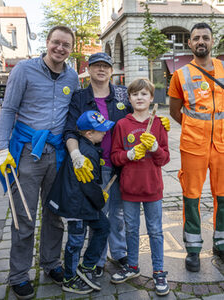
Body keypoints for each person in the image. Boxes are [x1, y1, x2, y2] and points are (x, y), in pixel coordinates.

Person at [64, 52, 170, 277]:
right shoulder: (79, 97)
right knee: (99, 214)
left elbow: (139, 112)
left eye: (106, 66)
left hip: (123, 165)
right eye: (96, 66)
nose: (101, 70)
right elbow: (70, 129)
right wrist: (76, 155)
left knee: (119, 213)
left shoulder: (122, 93)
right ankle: (98, 259)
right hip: (95, 162)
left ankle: (120, 252)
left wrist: (159, 121)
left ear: (112, 71)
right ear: (89, 70)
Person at [0, 25, 79, 299]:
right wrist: (1, 148)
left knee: (55, 213)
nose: (60, 48)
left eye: (66, 44)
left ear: (72, 48)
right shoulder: (23, 70)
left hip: (57, 155)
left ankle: (51, 263)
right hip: (28, 153)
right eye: (56, 42)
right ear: (47, 43)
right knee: (24, 217)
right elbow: (8, 109)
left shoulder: (72, 76)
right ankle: (19, 274)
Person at [169, 22, 224, 272]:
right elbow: (174, 111)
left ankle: (221, 244)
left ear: (213, 42)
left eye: (205, 37)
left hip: (222, 145)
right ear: (189, 44)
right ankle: (193, 249)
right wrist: (195, 128)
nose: (201, 41)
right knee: (191, 197)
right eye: (196, 38)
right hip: (193, 146)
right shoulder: (180, 75)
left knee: (222, 197)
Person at [110, 78, 170, 296]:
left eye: (144, 94)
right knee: (132, 229)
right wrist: (129, 154)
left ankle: (159, 271)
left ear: (151, 98)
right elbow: (115, 157)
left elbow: (164, 159)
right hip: (129, 189)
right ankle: (132, 265)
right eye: (135, 94)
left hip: (153, 188)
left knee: (155, 231)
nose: (140, 98)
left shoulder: (158, 124)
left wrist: (155, 148)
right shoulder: (122, 125)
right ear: (129, 98)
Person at [46, 110, 113, 294]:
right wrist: (100, 200)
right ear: (89, 133)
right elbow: (88, 184)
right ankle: (69, 278)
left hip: (83, 204)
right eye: (101, 130)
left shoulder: (87, 147)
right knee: (75, 241)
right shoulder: (87, 152)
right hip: (76, 206)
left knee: (103, 226)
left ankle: (87, 266)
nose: (105, 132)